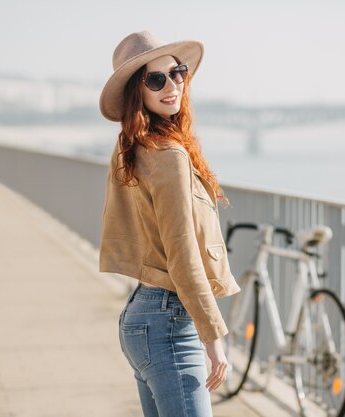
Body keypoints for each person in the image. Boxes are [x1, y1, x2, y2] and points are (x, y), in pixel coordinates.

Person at [98, 31, 241, 416]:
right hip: (170, 323)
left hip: (141, 316)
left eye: (177, 73)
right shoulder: (169, 156)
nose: (171, 86)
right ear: (136, 91)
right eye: (155, 79)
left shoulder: (131, 147)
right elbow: (182, 253)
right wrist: (213, 337)